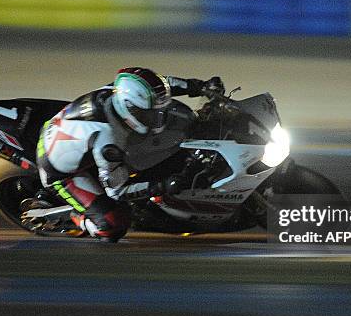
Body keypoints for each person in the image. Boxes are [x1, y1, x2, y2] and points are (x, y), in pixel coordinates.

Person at [35, 67, 223, 242]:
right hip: (61, 173)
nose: (158, 119)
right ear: (130, 109)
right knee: (113, 225)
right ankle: (79, 217)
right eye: (150, 114)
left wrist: (200, 86)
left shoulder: (121, 91)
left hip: (72, 134)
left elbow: (161, 85)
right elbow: (117, 191)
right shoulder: (107, 142)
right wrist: (162, 185)